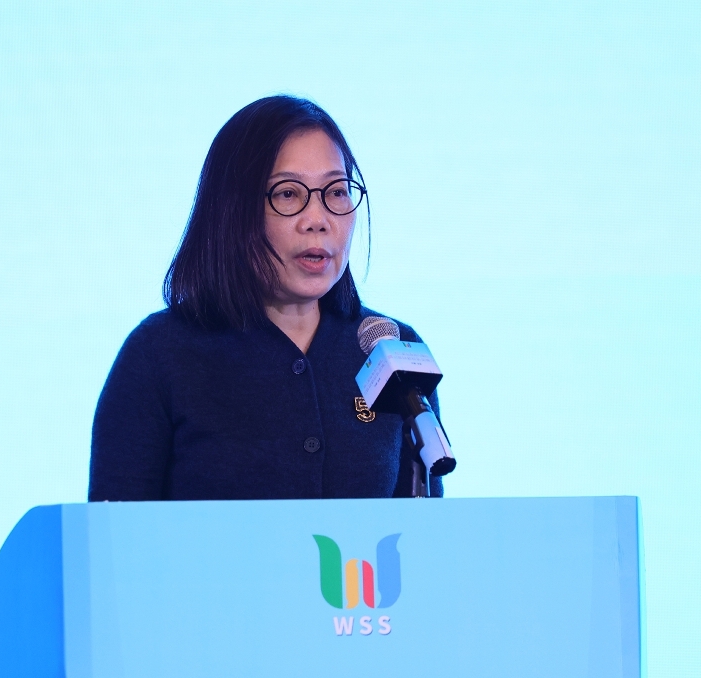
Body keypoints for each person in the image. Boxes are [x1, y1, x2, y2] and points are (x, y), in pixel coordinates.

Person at [88, 95, 444, 501]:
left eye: (336, 191)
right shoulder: (160, 354)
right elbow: (110, 534)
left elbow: (424, 530)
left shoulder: (392, 348)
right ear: (231, 211)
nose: (318, 220)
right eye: (288, 194)